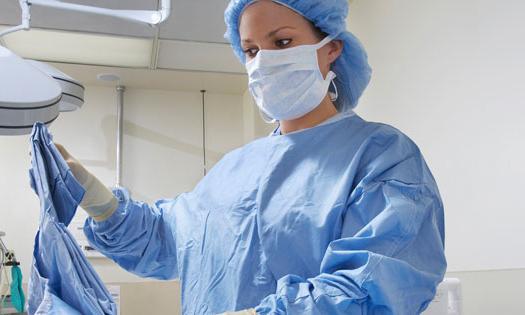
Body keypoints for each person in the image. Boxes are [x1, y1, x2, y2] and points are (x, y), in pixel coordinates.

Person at [56, 0, 447, 314]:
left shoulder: (380, 156)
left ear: (330, 50)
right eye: (251, 50)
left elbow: (376, 282)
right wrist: (101, 203)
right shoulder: (231, 170)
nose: (263, 62)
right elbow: (169, 240)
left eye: (281, 43)